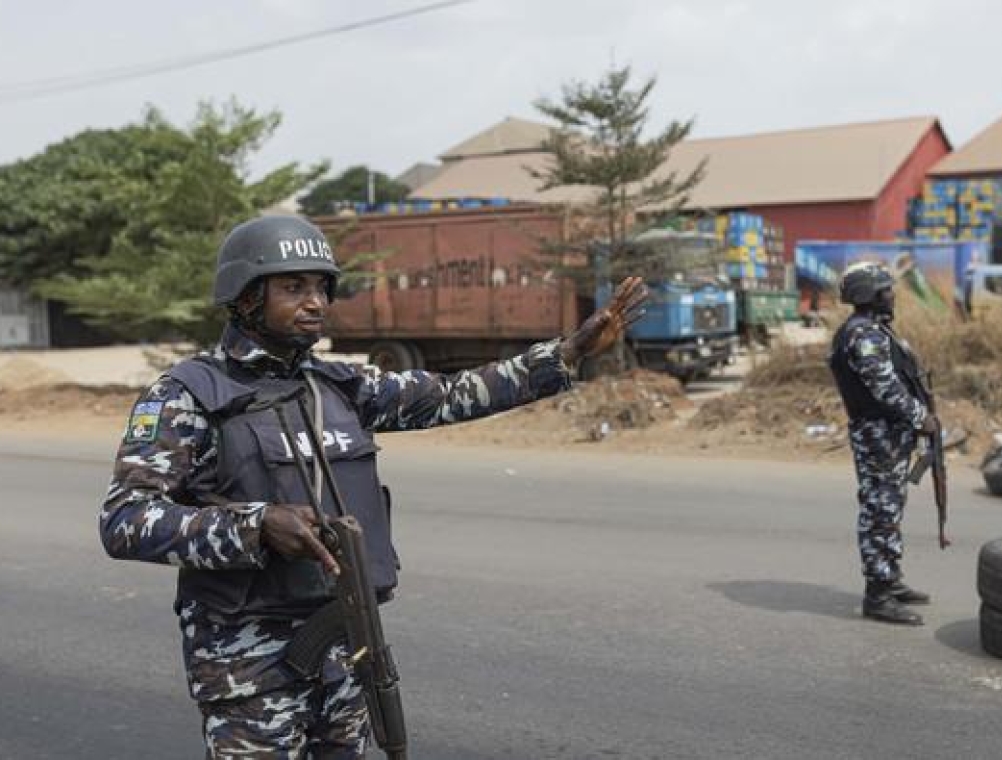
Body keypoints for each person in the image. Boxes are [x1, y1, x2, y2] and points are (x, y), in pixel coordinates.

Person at [99, 214, 647, 758]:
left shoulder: (344, 386)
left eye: (321, 287)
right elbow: (125, 520)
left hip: (344, 651)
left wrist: (569, 352)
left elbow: (453, 393)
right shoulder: (187, 396)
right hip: (248, 666)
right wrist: (254, 525)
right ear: (244, 297)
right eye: (293, 287)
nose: (315, 302)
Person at [827, 261, 937, 627]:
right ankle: (878, 596)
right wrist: (922, 417)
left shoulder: (873, 330)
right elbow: (885, 388)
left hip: (887, 433)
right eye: (886, 289)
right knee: (879, 511)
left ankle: (890, 579)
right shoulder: (863, 335)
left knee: (889, 507)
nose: (892, 295)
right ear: (868, 294)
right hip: (879, 434)